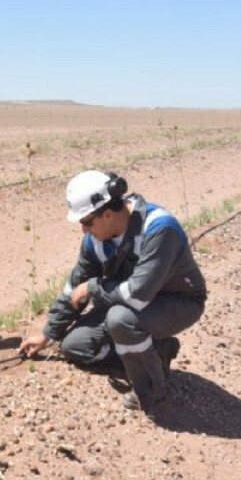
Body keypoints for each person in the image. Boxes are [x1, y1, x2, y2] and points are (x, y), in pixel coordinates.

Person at [19, 170, 207, 411]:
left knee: (121, 320)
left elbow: (137, 296)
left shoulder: (159, 229)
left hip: (177, 302)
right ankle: (156, 351)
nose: (84, 230)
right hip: (127, 299)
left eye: (86, 222)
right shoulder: (95, 240)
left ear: (107, 214)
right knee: (75, 346)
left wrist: (94, 287)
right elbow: (74, 287)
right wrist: (47, 334)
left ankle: (151, 389)